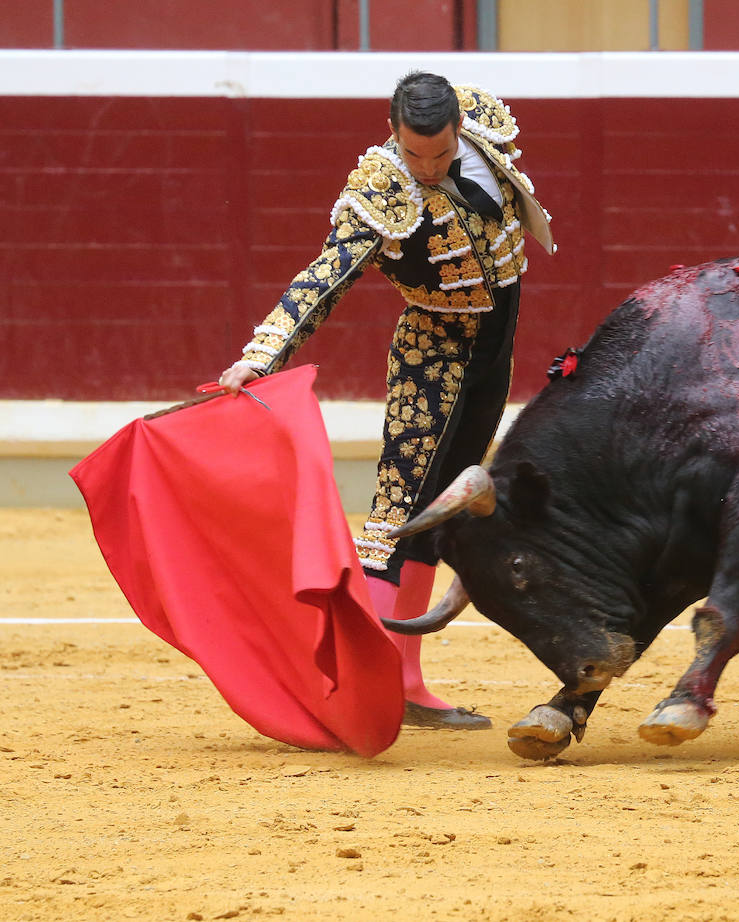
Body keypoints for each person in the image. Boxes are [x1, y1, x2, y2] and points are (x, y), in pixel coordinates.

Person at [217, 71, 554, 731]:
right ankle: (356, 690)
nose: (426, 168)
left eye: (439, 154)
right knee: (394, 517)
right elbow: (325, 276)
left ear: (459, 128)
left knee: (440, 512)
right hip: (432, 354)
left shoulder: (482, 124)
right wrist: (262, 354)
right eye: (413, 154)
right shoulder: (381, 189)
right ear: (393, 133)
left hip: (492, 356)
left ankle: (405, 679)